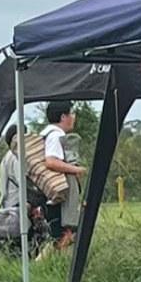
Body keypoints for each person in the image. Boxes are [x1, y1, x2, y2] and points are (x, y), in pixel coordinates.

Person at [41, 101, 85, 250]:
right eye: (71, 113)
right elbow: (51, 161)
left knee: (57, 236)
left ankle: (50, 260)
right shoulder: (56, 135)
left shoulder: (46, 133)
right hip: (59, 196)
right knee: (65, 234)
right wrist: (75, 169)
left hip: (51, 193)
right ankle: (50, 260)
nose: (74, 117)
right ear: (63, 117)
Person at [0, 125, 22, 211]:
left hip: (9, 202)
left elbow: (3, 188)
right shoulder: (16, 157)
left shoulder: (6, 157)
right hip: (17, 201)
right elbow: (21, 181)